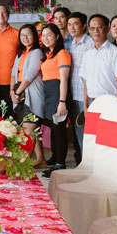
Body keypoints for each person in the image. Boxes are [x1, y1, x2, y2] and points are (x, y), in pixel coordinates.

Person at [39, 23, 72, 178]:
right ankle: (54, 157)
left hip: (58, 94)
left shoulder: (62, 54)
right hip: (48, 95)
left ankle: (60, 164)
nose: (46, 38)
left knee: (59, 131)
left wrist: (62, 101)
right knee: (52, 129)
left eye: (49, 35)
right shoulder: (48, 54)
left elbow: (64, 79)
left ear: (57, 36)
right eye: (43, 35)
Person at [11, 24, 46, 167]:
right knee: (33, 129)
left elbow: (31, 75)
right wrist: (12, 92)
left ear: (35, 36)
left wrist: (17, 92)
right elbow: (13, 74)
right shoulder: (21, 53)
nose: (25, 38)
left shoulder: (37, 52)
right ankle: (41, 159)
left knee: (29, 128)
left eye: (29, 35)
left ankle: (23, 164)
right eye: (22, 35)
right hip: (20, 93)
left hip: (33, 95)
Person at [80, 14, 117, 118]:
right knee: (92, 134)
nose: (95, 31)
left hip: (110, 104)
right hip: (92, 104)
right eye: (92, 28)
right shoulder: (88, 54)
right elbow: (86, 82)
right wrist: (85, 106)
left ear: (107, 29)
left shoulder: (116, 53)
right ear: (89, 30)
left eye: (99, 27)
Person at [65, 12, 93, 160]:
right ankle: (83, 162)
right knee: (78, 132)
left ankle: (89, 164)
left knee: (87, 134)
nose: (72, 27)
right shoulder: (71, 45)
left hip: (85, 95)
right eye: (69, 24)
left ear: (84, 26)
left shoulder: (90, 43)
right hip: (73, 93)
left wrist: (87, 98)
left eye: (75, 24)